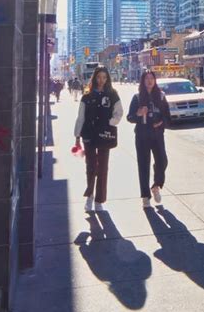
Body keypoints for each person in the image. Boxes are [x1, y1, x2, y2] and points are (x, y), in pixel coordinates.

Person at [73, 67, 123, 211]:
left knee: (102, 167)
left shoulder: (112, 94)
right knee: (91, 166)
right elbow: (80, 117)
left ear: (107, 79)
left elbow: (119, 112)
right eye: (99, 77)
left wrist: (110, 123)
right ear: (94, 78)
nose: (101, 80)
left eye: (104, 77)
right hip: (89, 134)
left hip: (105, 135)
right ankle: (89, 196)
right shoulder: (86, 96)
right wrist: (77, 136)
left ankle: (99, 200)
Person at [127, 70, 171, 208]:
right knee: (143, 165)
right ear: (143, 81)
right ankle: (145, 196)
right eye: (147, 79)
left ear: (155, 80)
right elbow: (130, 117)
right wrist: (138, 114)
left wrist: (161, 123)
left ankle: (156, 185)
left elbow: (168, 117)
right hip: (142, 135)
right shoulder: (137, 97)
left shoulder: (161, 96)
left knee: (162, 161)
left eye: (152, 78)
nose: (149, 81)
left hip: (157, 135)